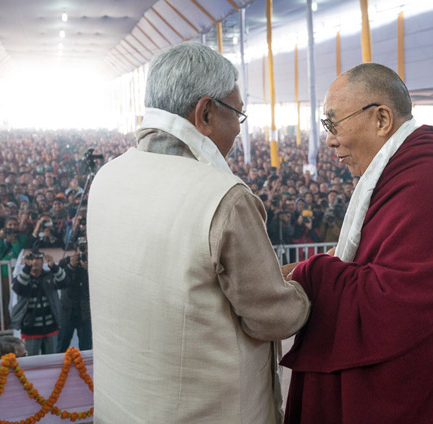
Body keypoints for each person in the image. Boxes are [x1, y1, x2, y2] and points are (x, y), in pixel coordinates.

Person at [279, 63, 433, 423]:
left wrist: (312, 274)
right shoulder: (412, 161)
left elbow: (398, 298)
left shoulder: (432, 175)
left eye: (333, 124)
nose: (330, 140)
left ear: (381, 119)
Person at [87, 42, 310, 424]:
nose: (239, 128)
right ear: (205, 112)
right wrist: (303, 286)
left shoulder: (107, 177)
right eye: (238, 113)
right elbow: (274, 317)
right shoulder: (224, 197)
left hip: (121, 407)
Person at [11, 250, 68, 356]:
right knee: (30, 364)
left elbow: (64, 282)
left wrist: (54, 267)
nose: (35, 262)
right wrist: (27, 268)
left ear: (43, 262)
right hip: (30, 330)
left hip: (51, 328)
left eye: (38, 259)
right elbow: (18, 288)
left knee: (51, 363)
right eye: (32, 259)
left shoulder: (50, 275)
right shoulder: (22, 276)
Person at [56, 238, 91, 352]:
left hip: (84, 311)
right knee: (62, 344)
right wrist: (71, 267)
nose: (83, 252)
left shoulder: (93, 263)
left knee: (86, 346)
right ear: (75, 250)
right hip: (68, 310)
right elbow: (61, 282)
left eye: (85, 249)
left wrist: (87, 270)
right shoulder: (65, 262)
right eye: (81, 249)